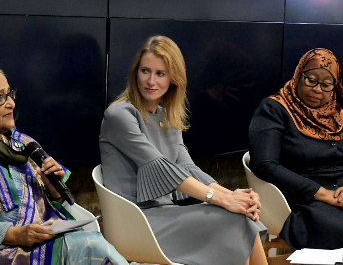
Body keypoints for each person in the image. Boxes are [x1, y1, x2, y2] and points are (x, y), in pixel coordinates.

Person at [0, 59, 128, 265]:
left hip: (41, 243)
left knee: (92, 243)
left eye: (10, 94)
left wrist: (53, 191)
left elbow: (50, 208)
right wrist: (15, 235)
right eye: (0, 98)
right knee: (91, 248)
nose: (11, 103)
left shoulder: (22, 142)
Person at [99, 36, 267, 265]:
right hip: (139, 223)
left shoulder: (166, 116)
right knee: (235, 220)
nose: (150, 81)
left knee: (242, 216)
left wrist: (234, 197)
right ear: (135, 72)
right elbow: (162, 168)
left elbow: (189, 169)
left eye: (160, 73)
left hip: (168, 213)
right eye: (145, 71)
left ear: (173, 79)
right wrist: (221, 199)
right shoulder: (119, 115)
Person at [248, 48, 343, 250]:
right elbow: (265, 165)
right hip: (301, 200)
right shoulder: (274, 109)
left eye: (326, 84)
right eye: (310, 80)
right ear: (299, 75)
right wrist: (320, 193)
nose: (317, 89)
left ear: (335, 87)